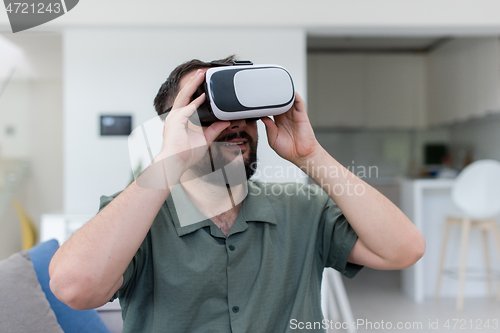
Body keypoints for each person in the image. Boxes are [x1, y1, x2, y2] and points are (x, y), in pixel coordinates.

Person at [49, 56, 425, 332]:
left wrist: (311, 156)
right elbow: (73, 289)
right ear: (173, 126)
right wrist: (168, 160)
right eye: (210, 110)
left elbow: (404, 249)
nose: (234, 125)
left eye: (245, 111)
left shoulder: (301, 207)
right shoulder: (138, 217)